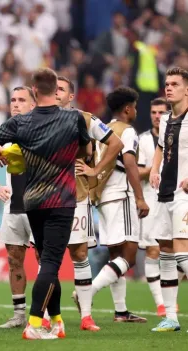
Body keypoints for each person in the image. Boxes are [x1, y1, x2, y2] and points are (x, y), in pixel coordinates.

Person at [0, 68, 93, 340]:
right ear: (56, 90)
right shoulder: (73, 118)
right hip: (62, 199)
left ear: (33, 91)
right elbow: (86, 151)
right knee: (51, 263)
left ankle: (56, 321)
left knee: (46, 262)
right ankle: (33, 323)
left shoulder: (21, 123)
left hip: (32, 201)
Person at [56, 76, 123, 331]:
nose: (57, 93)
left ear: (70, 96)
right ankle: (50, 317)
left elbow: (115, 143)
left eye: (61, 89)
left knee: (80, 254)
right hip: (46, 198)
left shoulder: (85, 119)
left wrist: (95, 172)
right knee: (46, 258)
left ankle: (86, 316)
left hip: (76, 196)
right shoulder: (38, 118)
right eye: (54, 89)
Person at [77, 86, 149, 323]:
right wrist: (139, 197)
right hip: (121, 194)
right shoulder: (127, 131)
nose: (136, 111)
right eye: (135, 107)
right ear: (128, 108)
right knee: (128, 256)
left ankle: (121, 312)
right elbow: (129, 164)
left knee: (115, 255)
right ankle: (85, 293)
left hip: (103, 198)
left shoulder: (104, 131)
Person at [0, 86, 36, 329]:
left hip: (39, 206)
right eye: (12, 99)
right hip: (13, 206)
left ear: (33, 105)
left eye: (21, 100)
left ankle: (44, 314)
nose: (15, 104)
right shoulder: (6, 132)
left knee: (45, 260)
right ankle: (19, 315)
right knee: (14, 259)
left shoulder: (42, 129)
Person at [150, 67, 188, 332]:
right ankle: (171, 318)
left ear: (187, 89)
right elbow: (161, 148)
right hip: (164, 193)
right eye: (167, 83)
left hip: (185, 195)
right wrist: (154, 168)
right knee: (165, 252)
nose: (169, 87)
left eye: (175, 84)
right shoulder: (165, 120)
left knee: (182, 253)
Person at [138, 98, 170, 317]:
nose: (157, 116)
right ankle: (161, 304)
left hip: (175, 198)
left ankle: (169, 298)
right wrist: (154, 169)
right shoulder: (142, 140)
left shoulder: (177, 136)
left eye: (161, 112)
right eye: (153, 112)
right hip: (151, 199)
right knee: (153, 250)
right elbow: (136, 171)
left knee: (175, 249)